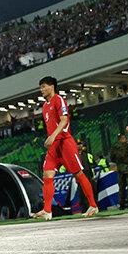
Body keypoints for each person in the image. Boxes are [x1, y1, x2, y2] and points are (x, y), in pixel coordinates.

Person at [31, 77, 99, 219]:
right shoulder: (45, 106)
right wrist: (51, 138)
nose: (41, 89)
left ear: (52, 86)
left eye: (43, 86)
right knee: (47, 175)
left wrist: (53, 136)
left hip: (65, 143)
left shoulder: (58, 100)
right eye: (40, 87)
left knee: (78, 175)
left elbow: (64, 120)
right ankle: (47, 210)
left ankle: (93, 205)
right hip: (54, 147)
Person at [109, 132, 128, 209]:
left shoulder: (114, 147)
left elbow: (112, 158)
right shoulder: (127, 145)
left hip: (120, 169)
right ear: (124, 138)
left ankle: (121, 204)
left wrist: (119, 163)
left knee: (121, 187)